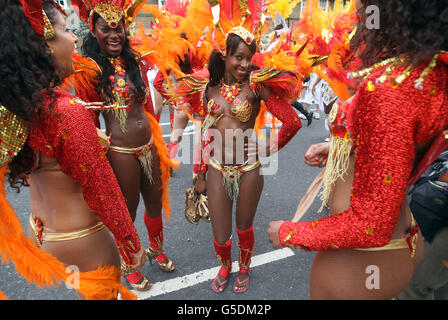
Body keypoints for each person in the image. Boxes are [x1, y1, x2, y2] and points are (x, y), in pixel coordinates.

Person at [267, 0, 448, 299]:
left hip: (366, 259)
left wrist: (289, 232)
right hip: (396, 242)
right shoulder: (423, 70)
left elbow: (371, 224)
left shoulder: (391, 87)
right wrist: (343, 149)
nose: (357, 9)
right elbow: (398, 147)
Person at [0, 0, 146, 299]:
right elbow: (100, 186)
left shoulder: (17, 105)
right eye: (66, 30)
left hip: (41, 230)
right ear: (44, 46)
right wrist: (130, 243)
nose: (75, 38)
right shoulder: (65, 113)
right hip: (82, 240)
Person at [178, 21, 304, 292]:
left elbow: (292, 121)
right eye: (238, 57)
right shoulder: (208, 89)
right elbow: (205, 134)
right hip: (216, 169)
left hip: (248, 170)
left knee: (244, 227)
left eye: (248, 58)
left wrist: (268, 148)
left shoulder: (256, 88)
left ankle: (244, 267)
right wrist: (198, 173)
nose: (244, 64)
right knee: (220, 235)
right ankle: (225, 266)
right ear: (224, 56)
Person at [70, 0, 178, 291]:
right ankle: (130, 263)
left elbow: (149, 110)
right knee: (126, 212)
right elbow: (87, 122)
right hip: (120, 152)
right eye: (106, 29)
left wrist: (160, 143)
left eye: (118, 28)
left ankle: (155, 248)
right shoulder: (89, 70)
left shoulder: (134, 61)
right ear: (94, 30)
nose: (114, 35)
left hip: (149, 146)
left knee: (155, 202)